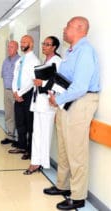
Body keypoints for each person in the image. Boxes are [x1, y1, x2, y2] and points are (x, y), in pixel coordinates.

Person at [44, 17, 100, 210]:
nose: (64, 28)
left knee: (76, 151)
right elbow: (67, 79)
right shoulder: (71, 52)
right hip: (67, 102)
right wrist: (55, 93)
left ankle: (77, 196)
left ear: (80, 28)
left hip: (80, 102)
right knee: (64, 148)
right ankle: (63, 185)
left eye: (67, 25)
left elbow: (81, 86)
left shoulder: (84, 51)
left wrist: (58, 99)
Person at [23, 36, 62, 175]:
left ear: (54, 47)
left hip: (47, 104)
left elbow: (58, 83)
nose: (44, 46)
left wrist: (43, 83)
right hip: (38, 102)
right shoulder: (46, 61)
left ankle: (41, 163)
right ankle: (35, 161)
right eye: (43, 44)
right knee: (37, 134)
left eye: (48, 44)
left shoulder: (57, 61)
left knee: (44, 135)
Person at [8, 35, 40, 160]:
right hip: (18, 95)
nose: (22, 44)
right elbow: (15, 77)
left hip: (28, 95)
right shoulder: (19, 60)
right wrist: (15, 92)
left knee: (29, 124)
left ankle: (30, 150)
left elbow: (32, 81)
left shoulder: (35, 61)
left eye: (25, 42)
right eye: (21, 42)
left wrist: (20, 93)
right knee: (20, 122)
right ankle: (21, 146)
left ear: (31, 44)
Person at [0, 41, 20, 145]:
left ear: (17, 48)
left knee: (18, 115)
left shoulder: (20, 61)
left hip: (16, 92)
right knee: (8, 114)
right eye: (8, 47)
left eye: (11, 47)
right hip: (7, 91)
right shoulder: (5, 61)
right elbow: (3, 75)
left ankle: (19, 138)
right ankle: (10, 136)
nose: (9, 49)